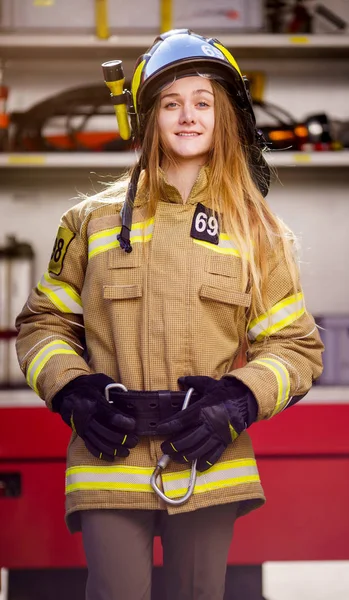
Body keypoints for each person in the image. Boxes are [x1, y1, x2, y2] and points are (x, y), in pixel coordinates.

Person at [15, 29, 324, 600]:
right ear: (146, 116)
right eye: (171, 103)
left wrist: (237, 401)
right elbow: (43, 325)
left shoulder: (257, 230)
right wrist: (72, 391)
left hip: (208, 455)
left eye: (203, 102)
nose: (188, 116)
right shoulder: (91, 221)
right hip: (111, 452)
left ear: (224, 116)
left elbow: (296, 347)